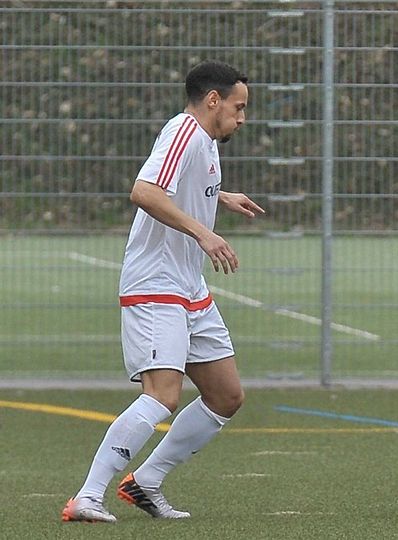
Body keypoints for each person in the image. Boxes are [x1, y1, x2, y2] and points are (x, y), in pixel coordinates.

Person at [62, 61, 263, 523]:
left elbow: (183, 185)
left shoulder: (206, 142)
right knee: (162, 395)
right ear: (213, 100)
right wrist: (203, 233)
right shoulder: (184, 132)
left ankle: (145, 482)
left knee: (226, 396)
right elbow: (145, 191)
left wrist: (220, 196)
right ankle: (87, 497)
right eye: (239, 107)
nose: (243, 117)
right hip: (156, 284)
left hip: (188, 287)